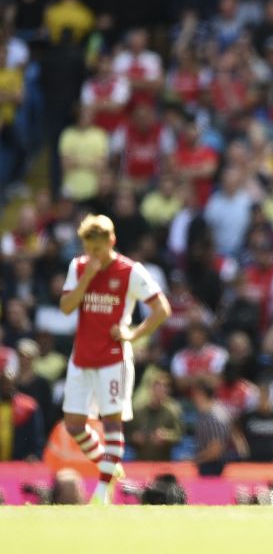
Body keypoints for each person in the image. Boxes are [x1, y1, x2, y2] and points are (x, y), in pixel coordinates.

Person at [58, 214, 171, 503]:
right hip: (81, 357)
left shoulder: (130, 271)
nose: (92, 255)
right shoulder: (79, 267)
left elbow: (162, 310)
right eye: (88, 248)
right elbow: (66, 307)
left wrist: (133, 335)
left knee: (111, 424)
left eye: (97, 248)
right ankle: (110, 465)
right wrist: (86, 278)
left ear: (111, 241)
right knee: (73, 425)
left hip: (113, 359)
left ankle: (102, 491)